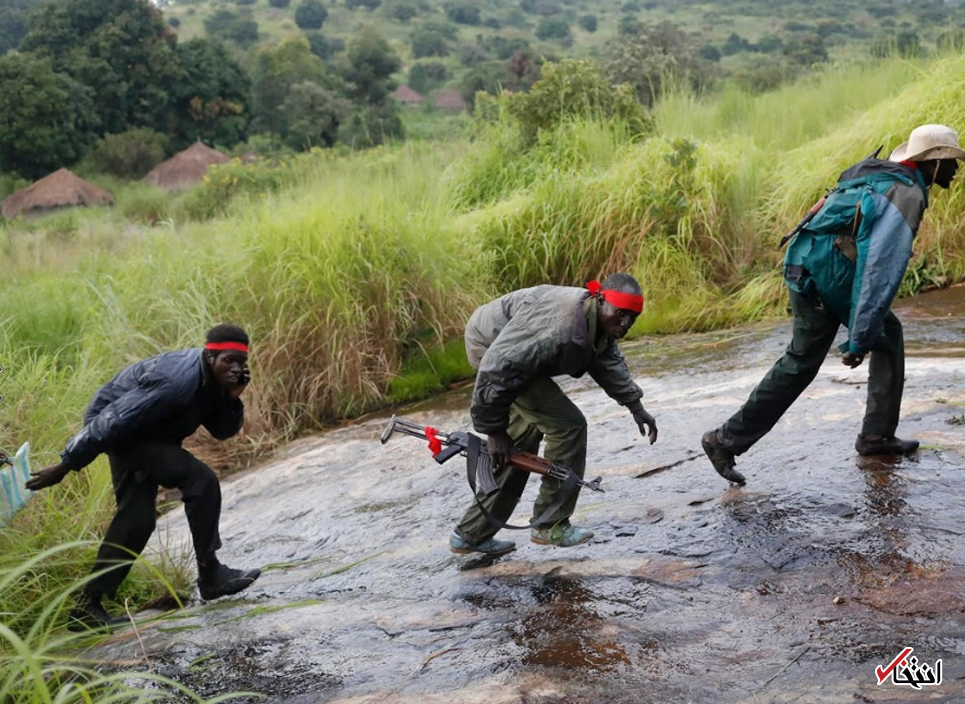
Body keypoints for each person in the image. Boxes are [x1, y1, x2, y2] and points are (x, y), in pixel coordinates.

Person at [701, 124, 964, 486]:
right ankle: (873, 437)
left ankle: (727, 440)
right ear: (932, 163)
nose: (956, 169)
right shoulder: (905, 193)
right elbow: (878, 268)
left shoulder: (888, 176)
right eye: (951, 161)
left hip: (809, 262)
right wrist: (859, 339)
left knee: (807, 359)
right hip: (823, 272)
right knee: (879, 335)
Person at [26, 324, 262, 629]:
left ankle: (87, 608)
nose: (235, 368)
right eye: (228, 361)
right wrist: (65, 464)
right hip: (119, 428)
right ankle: (211, 575)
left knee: (137, 520)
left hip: (149, 433)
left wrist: (232, 397)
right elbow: (113, 420)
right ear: (208, 357)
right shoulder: (175, 382)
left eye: (240, 363)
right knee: (200, 481)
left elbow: (222, 431)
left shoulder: (217, 381)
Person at [449, 273, 659, 556]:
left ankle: (470, 535)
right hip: (490, 346)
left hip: (513, 354)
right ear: (600, 300)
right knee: (568, 426)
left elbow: (607, 360)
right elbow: (497, 368)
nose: (625, 324)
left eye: (632, 318)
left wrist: (635, 406)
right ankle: (550, 525)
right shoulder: (558, 325)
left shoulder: (598, 322)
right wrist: (493, 430)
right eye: (620, 314)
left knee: (518, 449)